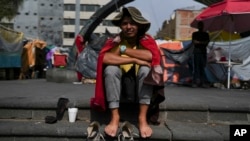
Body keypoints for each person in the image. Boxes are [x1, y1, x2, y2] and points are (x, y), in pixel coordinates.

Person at [90, 6, 165, 138]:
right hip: (119, 84)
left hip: (141, 85)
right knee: (110, 69)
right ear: (120, 26)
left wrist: (124, 50)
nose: (128, 27)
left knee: (146, 69)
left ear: (139, 25)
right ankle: (115, 117)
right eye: (125, 23)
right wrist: (135, 59)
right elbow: (105, 58)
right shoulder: (115, 41)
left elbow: (151, 56)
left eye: (132, 23)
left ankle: (142, 118)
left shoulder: (147, 40)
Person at [192, 21, 210, 87]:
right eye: (199, 25)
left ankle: (202, 82)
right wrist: (202, 43)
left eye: (201, 25)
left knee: (202, 67)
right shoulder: (195, 34)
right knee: (196, 68)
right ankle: (195, 82)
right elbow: (194, 42)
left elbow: (206, 42)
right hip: (197, 52)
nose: (200, 27)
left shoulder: (206, 34)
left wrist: (199, 42)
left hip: (202, 52)